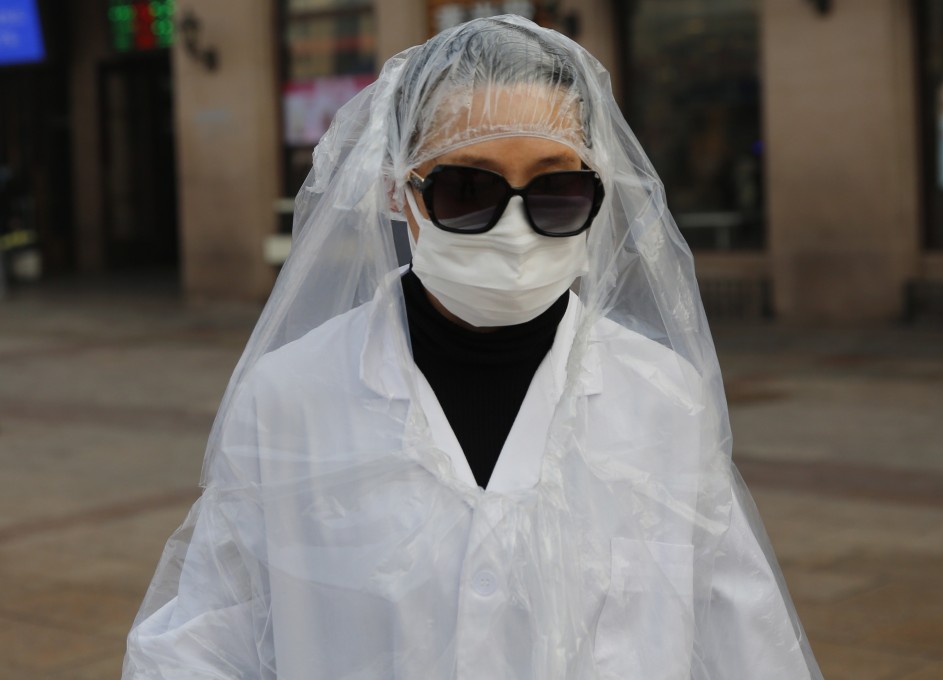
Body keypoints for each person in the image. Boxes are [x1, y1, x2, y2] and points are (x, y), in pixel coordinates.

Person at [124, 15, 823, 679]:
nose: (514, 230)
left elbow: (742, 641)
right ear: (399, 193)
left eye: (557, 190)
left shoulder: (662, 397)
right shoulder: (292, 396)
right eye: (465, 189)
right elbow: (202, 639)